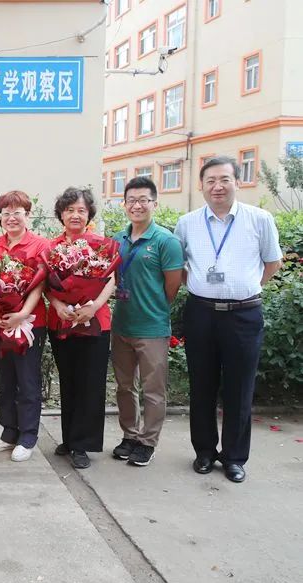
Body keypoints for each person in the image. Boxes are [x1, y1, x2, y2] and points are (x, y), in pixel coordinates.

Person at [175, 156, 282, 483]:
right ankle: (205, 452)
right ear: (201, 186)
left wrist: (246, 289)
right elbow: (178, 267)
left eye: (224, 179)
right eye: (210, 181)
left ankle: (234, 457)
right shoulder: (187, 223)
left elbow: (272, 263)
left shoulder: (259, 219)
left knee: (240, 388)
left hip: (244, 315)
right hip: (201, 313)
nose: (217, 187)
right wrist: (201, 286)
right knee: (201, 385)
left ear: (238, 181)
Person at [110, 177, 184, 467]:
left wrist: (153, 308)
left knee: (153, 390)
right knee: (124, 386)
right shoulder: (118, 239)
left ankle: (147, 442)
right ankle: (130, 435)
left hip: (152, 328)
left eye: (143, 200)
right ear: (124, 204)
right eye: (131, 200)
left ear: (154, 203)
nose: (137, 206)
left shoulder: (166, 241)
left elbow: (172, 287)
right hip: (121, 325)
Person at [46, 187, 116, 470]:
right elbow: (44, 284)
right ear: (61, 214)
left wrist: (94, 306)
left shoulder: (101, 244)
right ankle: (69, 437)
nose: (75, 215)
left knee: (91, 382)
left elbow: (111, 278)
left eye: (81, 210)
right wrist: (57, 304)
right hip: (61, 321)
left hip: (95, 321)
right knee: (68, 380)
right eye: (70, 210)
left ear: (89, 214)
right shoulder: (52, 247)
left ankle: (83, 444)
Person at [0, 191, 49, 463]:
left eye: (17, 213)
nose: (11, 218)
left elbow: (40, 284)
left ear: (27, 215)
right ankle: (9, 431)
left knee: (27, 379)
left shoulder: (40, 245)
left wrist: (22, 314)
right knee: (5, 379)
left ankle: (28, 435)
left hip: (30, 323)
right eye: (6, 213)